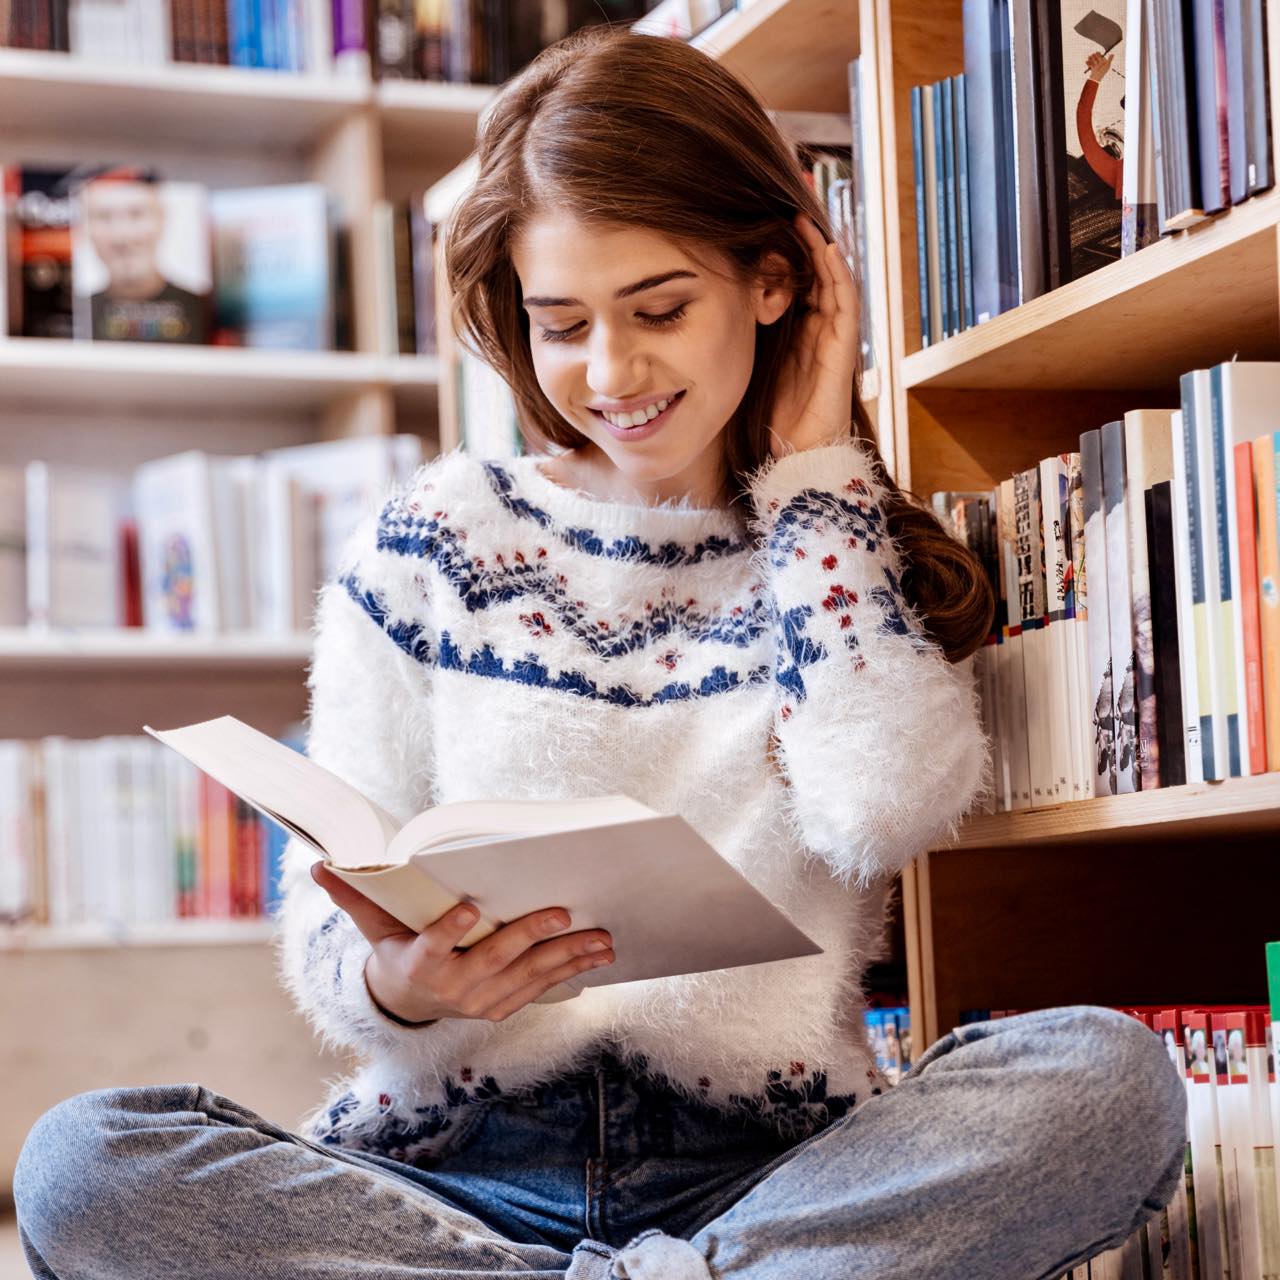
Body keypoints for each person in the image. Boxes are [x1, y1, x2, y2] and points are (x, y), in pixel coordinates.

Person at [14, 24, 1187, 1280]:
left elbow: (880, 805)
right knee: (83, 1161)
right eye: (562, 322)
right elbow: (327, 915)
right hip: (443, 1173)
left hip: (770, 1168)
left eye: (659, 308)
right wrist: (402, 985)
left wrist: (811, 489)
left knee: (1110, 1079)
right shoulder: (430, 540)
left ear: (776, 279)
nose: (610, 370)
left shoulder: (833, 540)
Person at [78, 168, 207, 343]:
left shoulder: (204, 309)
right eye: (104, 217)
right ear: (85, 228)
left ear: (162, 219)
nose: (122, 236)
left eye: (136, 214)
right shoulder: (75, 314)